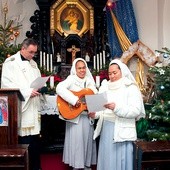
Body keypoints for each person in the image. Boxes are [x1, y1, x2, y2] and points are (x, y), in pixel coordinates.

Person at [89, 59, 145, 170]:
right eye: (110, 73)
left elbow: (136, 110)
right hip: (106, 129)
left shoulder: (130, 87)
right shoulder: (105, 86)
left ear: (122, 71)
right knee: (107, 159)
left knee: (121, 160)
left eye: (115, 73)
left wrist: (117, 108)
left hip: (122, 129)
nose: (112, 76)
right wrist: (95, 114)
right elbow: (101, 108)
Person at [1, 38, 46, 170]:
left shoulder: (33, 64)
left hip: (33, 106)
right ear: (23, 48)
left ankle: (35, 167)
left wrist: (40, 88)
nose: (32, 55)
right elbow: (7, 86)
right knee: (24, 140)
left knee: (35, 141)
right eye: (30, 52)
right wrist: (27, 92)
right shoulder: (10, 63)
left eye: (34, 53)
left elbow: (36, 82)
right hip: (21, 108)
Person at [56, 58, 97, 170]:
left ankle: (86, 165)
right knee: (77, 142)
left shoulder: (90, 81)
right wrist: (74, 100)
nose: (82, 70)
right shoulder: (71, 79)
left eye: (84, 67)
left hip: (87, 116)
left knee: (87, 141)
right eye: (79, 68)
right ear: (75, 69)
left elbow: (94, 95)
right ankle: (77, 166)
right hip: (74, 116)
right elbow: (59, 88)